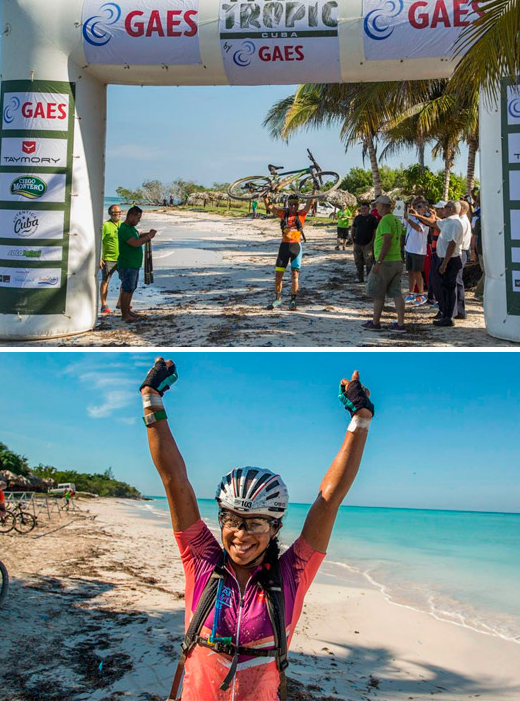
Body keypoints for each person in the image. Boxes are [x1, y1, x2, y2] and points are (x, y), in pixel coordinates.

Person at [139, 357, 374, 701]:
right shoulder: (201, 562)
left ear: (276, 526)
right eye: (231, 520)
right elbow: (175, 481)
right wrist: (151, 400)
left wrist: (360, 421)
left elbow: (329, 499)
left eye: (256, 523)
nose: (241, 534)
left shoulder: (292, 574)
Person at [263, 194, 313, 311]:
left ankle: (293, 301)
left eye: (295, 204)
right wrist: (265, 197)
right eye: (291, 204)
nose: (293, 206)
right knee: (278, 276)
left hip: (296, 247)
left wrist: (314, 192)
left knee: (295, 276)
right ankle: (278, 299)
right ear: (288, 204)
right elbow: (270, 207)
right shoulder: (283, 214)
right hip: (284, 247)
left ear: (298, 204)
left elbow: (309, 204)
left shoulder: (301, 214)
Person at [363, 195, 405, 332]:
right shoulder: (395, 220)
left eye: (377, 205)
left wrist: (379, 262)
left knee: (378, 293)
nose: (375, 208)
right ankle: (400, 324)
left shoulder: (386, 220)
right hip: (397, 260)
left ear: (382, 205)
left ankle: (375, 322)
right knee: (397, 293)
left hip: (386, 262)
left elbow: (387, 240)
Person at [117, 206, 157, 323]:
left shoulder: (131, 229)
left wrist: (147, 234)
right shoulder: (124, 229)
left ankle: (128, 311)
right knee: (127, 289)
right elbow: (134, 243)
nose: (139, 220)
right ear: (131, 216)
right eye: (137, 218)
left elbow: (138, 237)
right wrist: (149, 237)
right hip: (127, 264)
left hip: (133, 264)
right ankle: (125, 314)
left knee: (131, 288)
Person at [433, 201, 464, 327]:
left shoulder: (455, 223)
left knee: (449, 289)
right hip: (446, 259)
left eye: (445, 207)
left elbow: (452, 244)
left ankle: (449, 317)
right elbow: (433, 222)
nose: (443, 209)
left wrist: (444, 264)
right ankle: (445, 315)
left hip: (451, 260)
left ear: (451, 209)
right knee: (444, 289)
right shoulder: (448, 221)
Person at [403, 200, 430, 306]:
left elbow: (419, 228)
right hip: (409, 248)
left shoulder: (426, 220)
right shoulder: (412, 217)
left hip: (419, 250)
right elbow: (404, 225)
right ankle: (411, 292)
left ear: (425, 208)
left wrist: (408, 219)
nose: (416, 209)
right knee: (410, 272)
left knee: (417, 272)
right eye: (415, 207)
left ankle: (421, 294)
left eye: (419, 207)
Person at [99, 204, 122, 314]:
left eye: (119, 212)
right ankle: (104, 305)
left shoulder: (123, 225)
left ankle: (120, 303)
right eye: (115, 213)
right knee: (105, 281)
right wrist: (99, 258)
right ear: (110, 213)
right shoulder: (105, 225)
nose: (117, 215)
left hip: (122, 258)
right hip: (108, 259)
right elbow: (98, 241)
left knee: (126, 281)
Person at [351, 201, 378, 282]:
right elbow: (353, 228)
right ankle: (359, 277)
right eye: (362, 208)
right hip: (357, 242)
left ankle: (369, 278)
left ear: (368, 209)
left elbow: (375, 231)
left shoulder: (373, 218)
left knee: (369, 261)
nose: (363, 210)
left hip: (368, 243)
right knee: (358, 261)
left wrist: (373, 241)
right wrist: (352, 238)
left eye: (365, 208)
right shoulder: (357, 218)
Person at [471, 190, 484, 301]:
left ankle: (480, 292)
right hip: (481, 249)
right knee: (486, 272)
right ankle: (479, 293)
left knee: (486, 272)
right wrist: (473, 251)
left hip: (484, 249)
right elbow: (474, 236)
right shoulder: (479, 220)